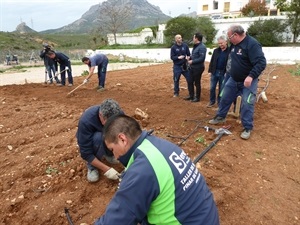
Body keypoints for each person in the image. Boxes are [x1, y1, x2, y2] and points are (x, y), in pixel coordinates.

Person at [95, 114, 220, 225]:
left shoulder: (142, 170)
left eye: (112, 150)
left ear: (122, 139)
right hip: (206, 217)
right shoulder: (160, 145)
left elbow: (117, 219)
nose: (116, 157)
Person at [209, 24, 266, 140]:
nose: (228, 39)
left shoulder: (252, 44)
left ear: (235, 35)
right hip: (233, 79)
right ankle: (220, 116)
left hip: (248, 81)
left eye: (229, 37)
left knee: (247, 103)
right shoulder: (234, 45)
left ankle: (247, 127)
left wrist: (251, 76)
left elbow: (261, 63)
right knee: (224, 97)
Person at [76, 99, 123, 183]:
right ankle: (92, 167)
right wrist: (107, 169)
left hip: (106, 138)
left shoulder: (119, 115)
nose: (111, 125)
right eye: (109, 122)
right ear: (101, 116)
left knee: (116, 131)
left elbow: (125, 135)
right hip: (95, 141)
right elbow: (86, 153)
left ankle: (110, 154)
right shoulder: (86, 121)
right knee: (98, 137)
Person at [207, 36, 230, 107]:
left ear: (226, 42)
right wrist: (210, 71)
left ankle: (220, 103)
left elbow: (230, 63)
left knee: (221, 89)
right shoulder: (216, 51)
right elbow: (212, 61)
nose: (220, 45)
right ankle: (212, 101)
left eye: (222, 43)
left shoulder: (230, 51)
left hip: (223, 73)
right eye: (219, 43)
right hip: (215, 72)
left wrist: (228, 72)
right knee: (212, 88)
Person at [186, 32, 207, 102]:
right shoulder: (195, 46)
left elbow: (201, 58)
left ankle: (197, 97)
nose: (193, 38)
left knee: (197, 83)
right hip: (192, 67)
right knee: (189, 81)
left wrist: (192, 61)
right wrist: (190, 57)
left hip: (198, 68)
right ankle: (191, 95)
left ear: (196, 38)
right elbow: (195, 55)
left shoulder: (202, 47)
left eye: (194, 37)